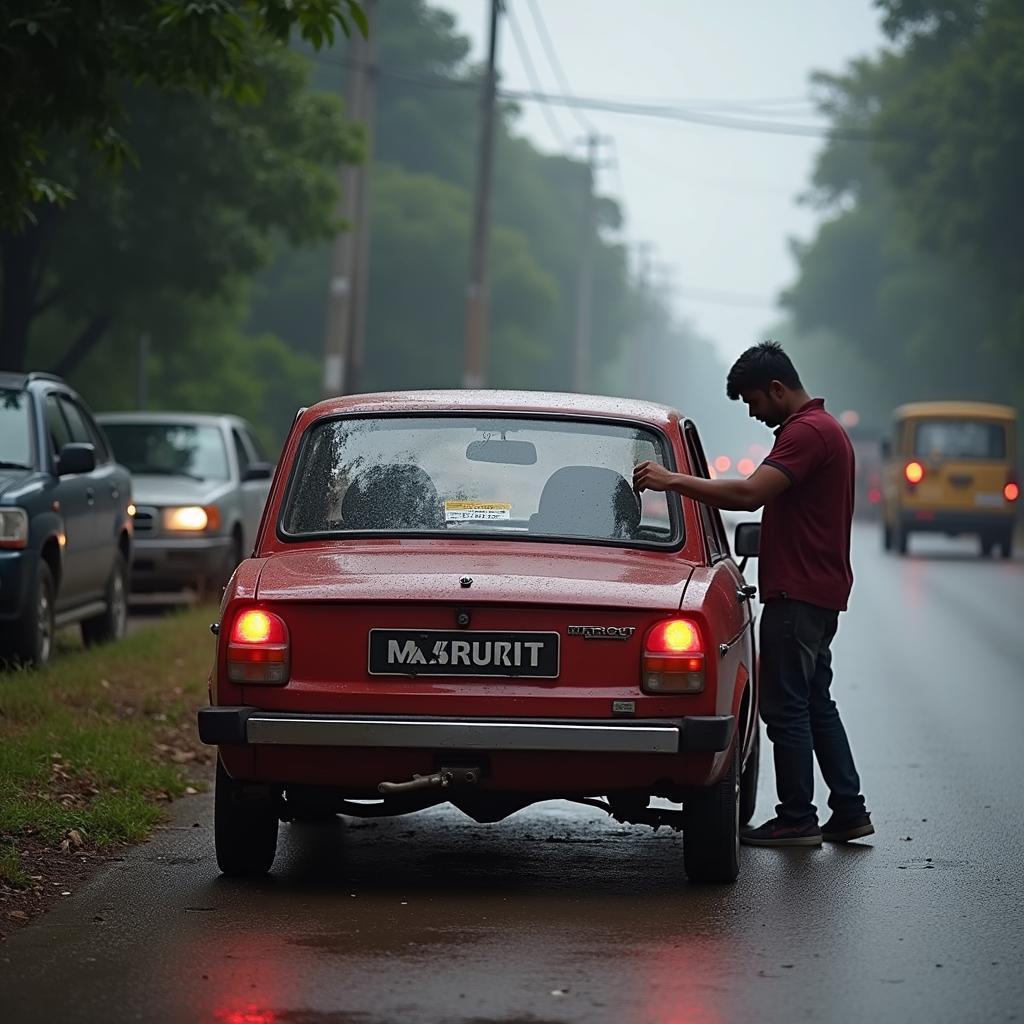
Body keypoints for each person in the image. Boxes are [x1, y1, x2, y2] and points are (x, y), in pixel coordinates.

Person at [633, 340, 872, 847]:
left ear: (778, 389)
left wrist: (672, 480)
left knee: (785, 707)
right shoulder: (824, 431)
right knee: (813, 701)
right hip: (818, 592)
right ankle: (849, 810)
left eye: (754, 401)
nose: (754, 413)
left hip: (798, 593)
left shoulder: (805, 433)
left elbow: (749, 494)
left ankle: (797, 818)